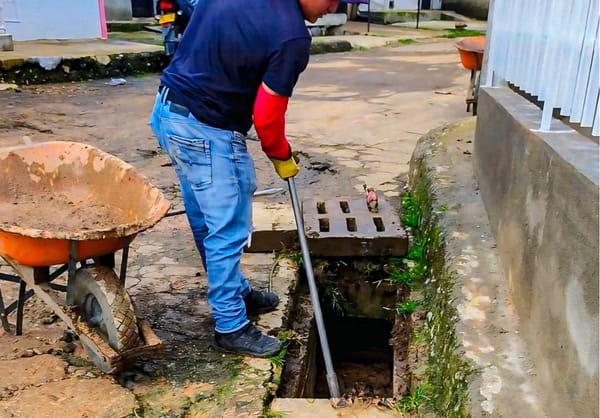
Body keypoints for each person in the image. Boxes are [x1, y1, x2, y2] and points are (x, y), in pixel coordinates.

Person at [150, 0, 340, 358]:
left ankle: (235, 291)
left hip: (168, 113)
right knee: (228, 229)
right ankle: (231, 325)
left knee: (206, 217)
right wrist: (281, 154)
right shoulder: (291, 37)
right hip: (207, 128)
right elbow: (267, 118)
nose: (335, 6)